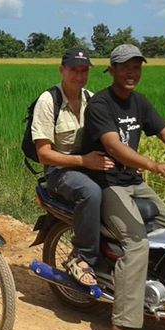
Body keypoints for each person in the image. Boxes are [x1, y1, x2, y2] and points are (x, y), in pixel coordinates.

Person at [82, 44, 165, 330]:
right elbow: (115, 147)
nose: (132, 72)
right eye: (125, 67)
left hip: (133, 182)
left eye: (137, 67)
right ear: (111, 70)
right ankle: (120, 328)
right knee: (136, 243)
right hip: (108, 182)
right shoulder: (100, 104)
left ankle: (158, 294)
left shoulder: (139, 102)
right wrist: (153, 165)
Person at [30, 48, 114, 285]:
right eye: (74, 70)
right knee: (91, 192)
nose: (79, 76)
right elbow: (44, 154)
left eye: (84, 71)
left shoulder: (91, 98)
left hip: (89, 165)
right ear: (62, 70)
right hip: (60, 171)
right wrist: (83, 161)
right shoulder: (48, 101)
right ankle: (82, 257)